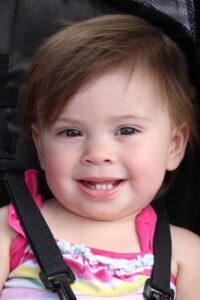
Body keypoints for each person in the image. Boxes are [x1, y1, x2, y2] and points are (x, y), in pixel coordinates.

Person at [0, 14, 200, 300]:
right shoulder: (9, 230)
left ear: (173, 146)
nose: (97, 154)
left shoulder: (186, 254)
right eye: (70, 132)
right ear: (41, 148)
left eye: (126, 129)